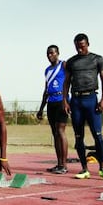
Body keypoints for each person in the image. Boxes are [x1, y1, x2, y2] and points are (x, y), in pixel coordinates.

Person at [63, 33, 103, 181]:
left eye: (82, 46)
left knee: (97, 135)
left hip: (91, 99)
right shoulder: (71, 62)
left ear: (88, 44)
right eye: (77, 46)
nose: (79, 49)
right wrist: (65, 101)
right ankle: (84, 169)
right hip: (76, 101)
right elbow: (66, 82)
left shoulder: (97, 59)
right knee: (79, 137)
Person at [37, 45, 69, 174]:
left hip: (62, 101)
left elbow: (70, 81)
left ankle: (64, 165)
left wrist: (67, 101)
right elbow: (46, 90)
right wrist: (41, 109)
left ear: (58, 53)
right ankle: (59, 163)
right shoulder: (47, 70)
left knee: (61, 131)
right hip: (51, 102)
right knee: (55, 133)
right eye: (48, 54)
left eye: (52, 53)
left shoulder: (64, 65)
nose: (50, 56)